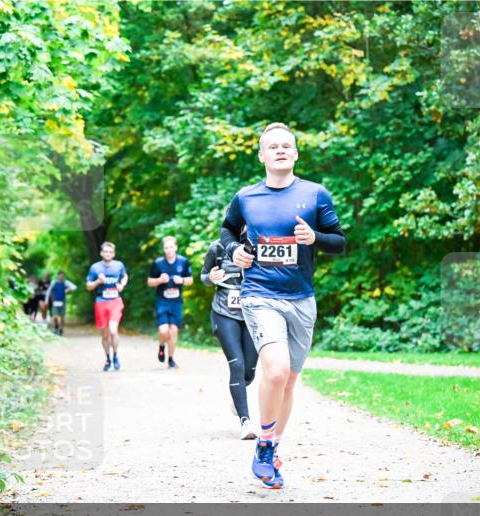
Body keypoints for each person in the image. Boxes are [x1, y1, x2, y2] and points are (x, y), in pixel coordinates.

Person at [221, 122, 345, 490]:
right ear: (261, 155)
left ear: (295, 154)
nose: (280, 150)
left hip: (301, 299)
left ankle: (271, 446)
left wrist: (315, 237)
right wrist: (235, 250)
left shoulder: (315, 194)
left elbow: (339, 242)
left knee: (289, 381)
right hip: (259, 294)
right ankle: (263, 446)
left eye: (286, 146)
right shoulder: (246, 197)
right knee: (275, 371)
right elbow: (227, 230)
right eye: (272, 146)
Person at [201, 238, 259, 440]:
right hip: (224, 313)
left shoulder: (258, 244)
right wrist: (211, 277)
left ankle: (237, 395)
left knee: (248, 373)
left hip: (252, 314)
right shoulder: (217, 247)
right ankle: (246, 422)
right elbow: (204, 277)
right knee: (237, 364)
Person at [147, 236, 192, 369]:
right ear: (164, 249)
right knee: (163, 331)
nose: (169, 250)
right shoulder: (158, 263)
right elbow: (150, 282)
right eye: (166, 247)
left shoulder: (183, 262)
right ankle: (161, 346)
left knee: (174, 331)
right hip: (162, 301)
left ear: (176, 248)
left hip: (176, 302)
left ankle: (171, 359)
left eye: (171, 247)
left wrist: (182, 280)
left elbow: (190, 280)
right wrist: (159, 280)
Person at [86, 242, 128, 371]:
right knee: (105, 335)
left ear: (113, 254)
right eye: (106, 251)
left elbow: (125, 276)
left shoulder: (119, 265)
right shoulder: (95, 268)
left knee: (113, 330)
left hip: (115, 301)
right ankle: (108, 358)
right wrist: (98, 281)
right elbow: (88, 286)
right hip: (101, 302)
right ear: (101, 253)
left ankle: (115, 356)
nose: (108, 254)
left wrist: (122, 285)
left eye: (110, 252)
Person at [45, 271, 76, 336]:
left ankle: (61, 329)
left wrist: (68, 290)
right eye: (60, 276)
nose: (61, 277)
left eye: (62, 276)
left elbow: (74, 287)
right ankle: (56, 327)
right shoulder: (54, 282)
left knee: (62, 317)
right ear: (58, 276)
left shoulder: (66, 282)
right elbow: (48, 291)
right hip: (55, 301)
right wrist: (46, 301)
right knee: (55, 316)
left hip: (62, 301)